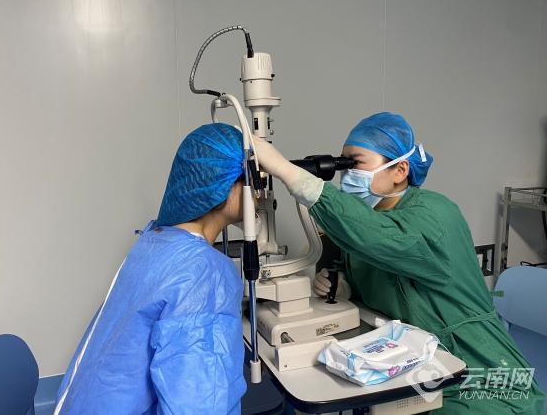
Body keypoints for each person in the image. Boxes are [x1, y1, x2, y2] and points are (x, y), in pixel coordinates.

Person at [254, 112, 544, 414]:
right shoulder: (370, 218)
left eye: (355, 163)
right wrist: (344, 285)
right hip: (416, 366)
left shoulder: (436, 213)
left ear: (400, 170)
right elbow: (373, 263)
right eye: (343, 163)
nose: (345, 172)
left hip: (477, 373)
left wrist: (286, 170)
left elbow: (379, 239)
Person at [55, 123, 247, 415]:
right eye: (252, 180)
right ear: (227, 186)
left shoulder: (157, 239)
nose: (259, 193)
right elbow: (198, 403)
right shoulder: (203, 272)